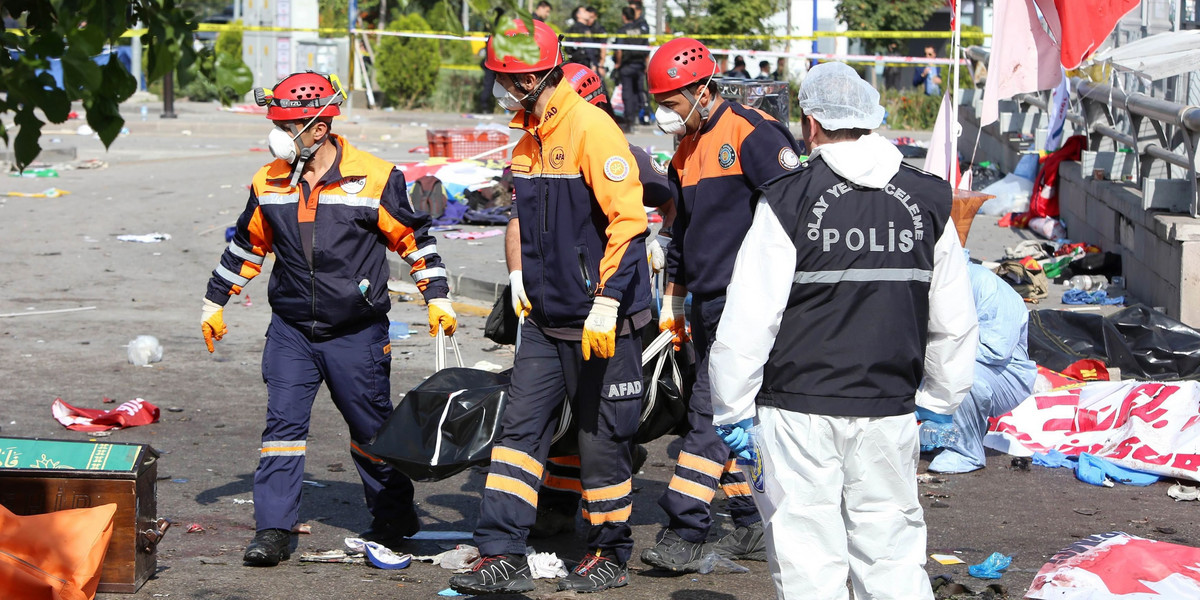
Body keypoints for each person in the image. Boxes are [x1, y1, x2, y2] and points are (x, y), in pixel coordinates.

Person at [708, 61, 978, 600]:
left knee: (807, 553)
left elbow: (750, 314)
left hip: (797, 408)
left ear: (811, 123)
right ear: (872, 118)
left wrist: (731, 406)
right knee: (892, 549)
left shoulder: (788, 197)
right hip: (889, 407)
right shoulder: (930, 199)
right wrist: (942, 396)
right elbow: (953, 315)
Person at [200, 71, 458, 567]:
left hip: (356, 334)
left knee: (371, 432)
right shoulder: (269, 180)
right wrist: (215, 301)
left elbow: (413, 240)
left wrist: (437, 296)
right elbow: (248, 247)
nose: (278, 134)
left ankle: (393, 515)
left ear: (319, 129)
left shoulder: (375, 177)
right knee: (282, 428)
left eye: (288, 124)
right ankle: (273, 530)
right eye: (276, 122)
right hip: (292, 331)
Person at [448, 18, 651, 595]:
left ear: (534, 77)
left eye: (508, 81)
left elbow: (629, 224)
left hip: (598, 321)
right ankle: (501, 551)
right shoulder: (528, 140)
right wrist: (519, 280)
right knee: (518, 437)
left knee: (601, 440)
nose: (503, 91)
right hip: (544, 320)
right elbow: (524, 222)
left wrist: (608, 301)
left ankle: (611, 550)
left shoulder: (592, 129)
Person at [640, 37, 802, 573]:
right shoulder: (687, 149)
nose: (664, 114)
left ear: (702, 90)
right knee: (723, 417)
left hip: (748, 305)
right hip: (707, 305)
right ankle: (749, 522)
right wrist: (674, 304)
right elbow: (683, 235)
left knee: (709, 416)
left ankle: (685, 527)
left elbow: (795, 217)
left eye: (671, 102)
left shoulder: (753, 134)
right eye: (659, 102)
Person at [527, 62, 673, 537]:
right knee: (569, 419)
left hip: (611, 304)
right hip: (554, 303)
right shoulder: (543, 143)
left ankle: (601, 535)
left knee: (602, 425)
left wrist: (664, 243)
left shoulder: (612, 145)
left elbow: (657, 201)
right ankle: (558, 505)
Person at [921, 258, 1037, 474]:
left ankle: (966, 452)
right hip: (957, 359)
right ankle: (945, 432)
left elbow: (996, 349)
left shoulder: (985, 284)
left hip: (1006, 374)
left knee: (956, 373)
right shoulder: (930, 284)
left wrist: (935, 352)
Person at [614, 6, 649, 131]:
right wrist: (647, 64)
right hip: (639, 65)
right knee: (638, 92)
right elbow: (646, 48)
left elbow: (619, 49)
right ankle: (640, 117)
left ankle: (629, 122)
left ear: (624, 16)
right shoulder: (641, 30)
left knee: (628, 93)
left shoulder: (622, 30)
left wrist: (617, 63)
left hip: (627, 66)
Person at [566, 6, 606, 73]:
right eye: (584, 11)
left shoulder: (586, 28)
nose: (588, 13)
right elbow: (582, 49)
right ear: (578, 15)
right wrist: (592, 63)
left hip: (588, 64)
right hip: (584, 65)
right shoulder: (577, 29)